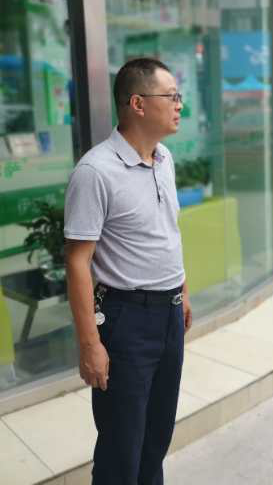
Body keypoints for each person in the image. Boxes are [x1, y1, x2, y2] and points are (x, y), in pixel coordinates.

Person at [64, 57, 193, 485]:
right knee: (122, 449)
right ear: (138, 103)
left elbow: (166, 231)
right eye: (171, 96)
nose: (179, 104)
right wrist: (90, 344)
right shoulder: (95, 171)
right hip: (125, 322)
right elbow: (77, 261)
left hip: (169, 315)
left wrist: (182, 291)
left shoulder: (164, 158)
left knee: (156, 441)